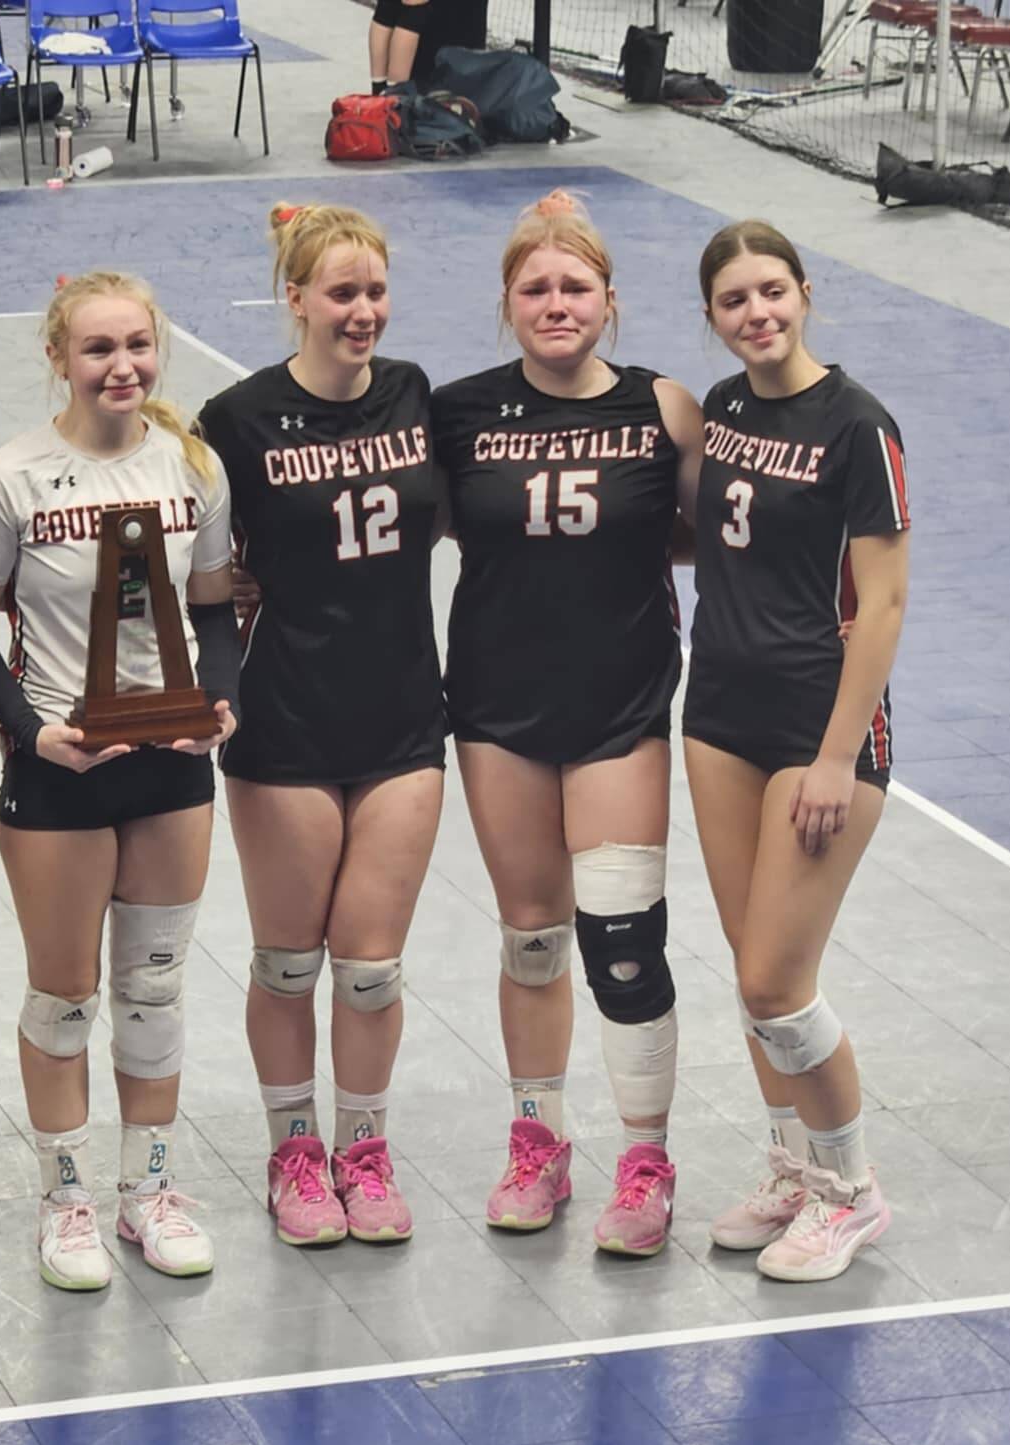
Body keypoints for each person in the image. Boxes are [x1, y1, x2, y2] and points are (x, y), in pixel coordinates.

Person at [429, 190, 705, 1256]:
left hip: (620, 705)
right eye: (534, 288)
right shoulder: (457, 414)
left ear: (608, 300)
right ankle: (537, 1142)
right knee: (533, 937)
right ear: (507, 303)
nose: (555, 304)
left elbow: (706, 534)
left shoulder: (662, 408)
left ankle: (645, 1160)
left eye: (573, 287)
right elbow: (422, 526)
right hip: (495, 705)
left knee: (623, 941)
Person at [0, 271, 238, 1291]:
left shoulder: (191, 467)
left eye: (137, 347)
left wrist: (219, 698)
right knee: (65, 997)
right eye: (97, 350)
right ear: (58, 360)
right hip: (64, 776)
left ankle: (147, 1191)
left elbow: (211, 609)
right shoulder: (11, 477)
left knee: (154, 990)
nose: (121, 367)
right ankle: (65, 1200)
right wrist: (32, 732)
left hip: (168, 768)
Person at [198, 203, 446, 1248]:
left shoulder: (414, 395)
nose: (361, 313)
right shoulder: (234, 417)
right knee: (288, 960)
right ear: (292, 298)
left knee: (372, 963)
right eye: (340, 293)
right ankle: (294, 1153)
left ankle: (365, 1150)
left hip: (400, 714)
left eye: (373, 292)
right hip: (283, 716)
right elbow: (194, 563)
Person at [686, 219, 909, 1283]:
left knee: (779, 982)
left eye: (770, 292)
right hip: (718, 713)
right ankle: (791, 1167)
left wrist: (832, 758)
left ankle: (850, 1190)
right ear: (712, 317)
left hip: (817, 729)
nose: (755, 315)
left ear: (804, 293)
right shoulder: (723, 407)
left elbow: (882, 602)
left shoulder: (856, 426)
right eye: (733, 302)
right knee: (750, 978)